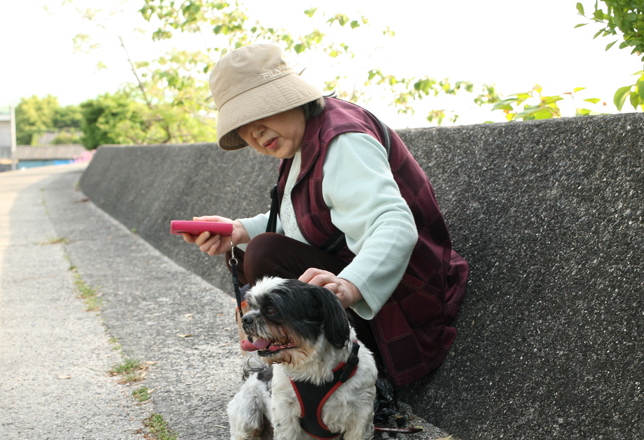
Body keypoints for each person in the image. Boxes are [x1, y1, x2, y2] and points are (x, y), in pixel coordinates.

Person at [183, 42, 468, 394]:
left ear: (290, 96)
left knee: (263, 254)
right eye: (242, 124)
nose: (255, 131)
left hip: (403, 303)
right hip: (367, 284)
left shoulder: (343, 141)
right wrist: (238, 230)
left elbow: (394, 224)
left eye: (262, 112)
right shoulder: (304, 135)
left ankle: (334, 375)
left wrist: (348, 286)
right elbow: (300, 216)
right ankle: (303, 361)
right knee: (250, 249)